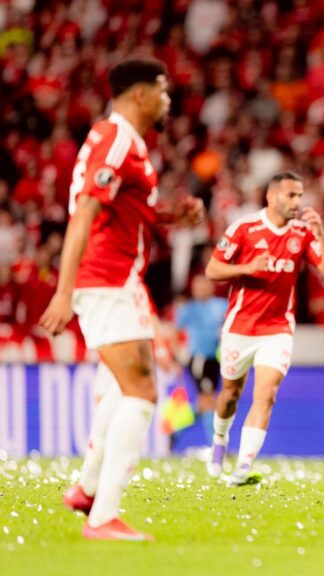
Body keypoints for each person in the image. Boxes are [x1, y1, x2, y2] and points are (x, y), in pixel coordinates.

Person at [40, 58, 204, 541]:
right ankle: (103, 516)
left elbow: (129, 211)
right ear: (139, 95)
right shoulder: (117, 141)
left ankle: (88, 489)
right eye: (163, 90)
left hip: (115, 278)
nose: (168, 99)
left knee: (120, 384)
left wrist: (174, 217)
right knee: (142, 392)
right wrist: (65, 290)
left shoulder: (121, 140)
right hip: (107, 279)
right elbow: (84, 213)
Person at [205, 171, 324, 486]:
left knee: (266, 395)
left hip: (278, 328)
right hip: (240, 326)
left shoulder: (303, 234)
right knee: (229, 393)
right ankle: (219, 440)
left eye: (300, 195)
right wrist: (245, 268)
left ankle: (243, 466)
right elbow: (212, 269)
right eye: (291, 195)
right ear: (271, 196)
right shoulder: (244, 228)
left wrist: (321, 235)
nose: (297, 202)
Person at [175, 274, 229, 444]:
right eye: (197, 287)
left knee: (206, 402)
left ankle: (176, 427)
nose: (200, 290)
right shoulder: (188, 309)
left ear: (211, 287)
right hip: (199, 359)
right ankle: (215, 445)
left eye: (203, 286)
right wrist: (177, 357)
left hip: (217, 359)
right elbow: (174, 332)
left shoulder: (222, 306)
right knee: (208, 400)